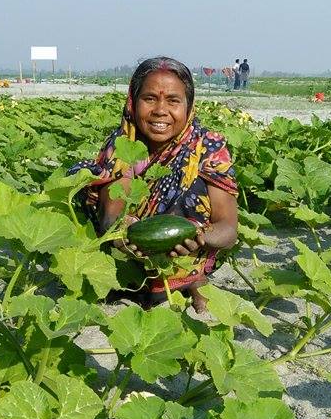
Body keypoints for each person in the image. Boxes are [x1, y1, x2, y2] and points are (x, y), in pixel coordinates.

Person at [70, 57, 239, 311]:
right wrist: (124, 231)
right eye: (149, 98)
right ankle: (133, 283)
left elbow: (228, 229)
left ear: (189, 105)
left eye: (173, 100)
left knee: (192, 189)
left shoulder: (208, 147)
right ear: (133, 101)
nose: (161, 110)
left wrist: (198, 234)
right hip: (129, 255)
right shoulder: (122, 144)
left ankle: (190, 280)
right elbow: (111, 216)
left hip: (187, 257)